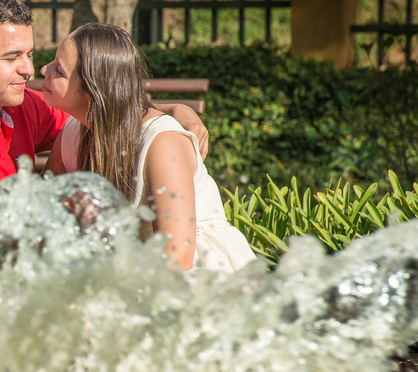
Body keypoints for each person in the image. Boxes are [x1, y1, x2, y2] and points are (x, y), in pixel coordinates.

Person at [0, 0, 209, 218]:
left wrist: (173, 111)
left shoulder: (22, 107)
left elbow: (101, 107)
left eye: (29, 54)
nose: (28, 69)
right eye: (12, 57)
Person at [40, 22, 256, 272]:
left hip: (200, 276)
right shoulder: (73, 133)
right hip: (132, 268)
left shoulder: (162, 144)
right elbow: (43, 216)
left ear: (91, 92)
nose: (44, 69)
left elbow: (175, 260)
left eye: (59, 70)